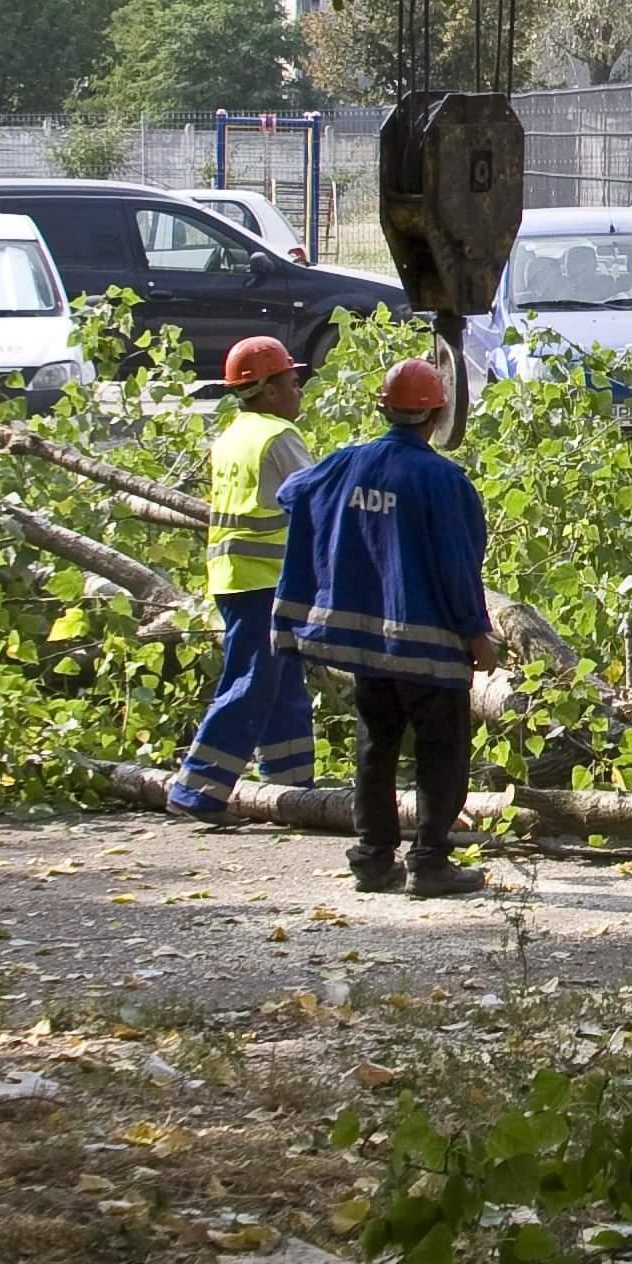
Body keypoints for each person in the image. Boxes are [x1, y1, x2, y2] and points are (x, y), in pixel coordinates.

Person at [272, 357, 499, 897]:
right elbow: (457, 564)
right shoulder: (444, 481)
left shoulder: (344, 463)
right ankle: (430, 862)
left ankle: (373, 859)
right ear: (437, 414)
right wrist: (476, 633)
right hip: (429, 649)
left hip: (369, 648)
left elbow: (291, 495)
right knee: (440, 755)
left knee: (376, 748)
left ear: (384, 408)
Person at [165, 335, 319, 823]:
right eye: (292, 383)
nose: (299, 392)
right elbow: (316, 497)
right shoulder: (278, 436)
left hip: (236, 577)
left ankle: (293, 784)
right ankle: (197, 789)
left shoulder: (233, 434)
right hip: (264, 579)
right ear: (269, 389)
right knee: (252, 682)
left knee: (282, 680)